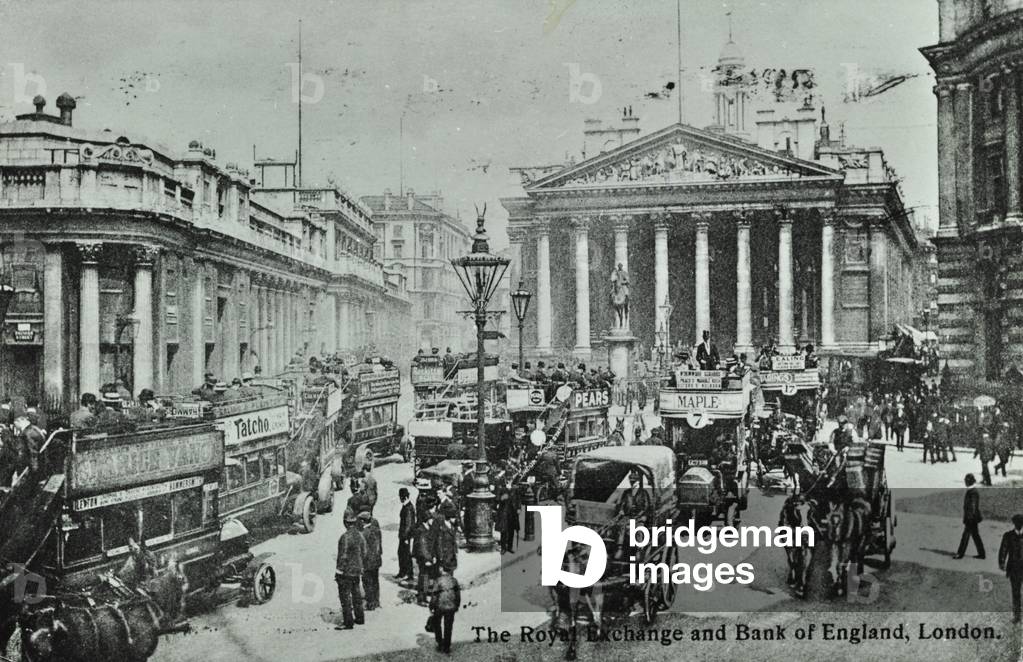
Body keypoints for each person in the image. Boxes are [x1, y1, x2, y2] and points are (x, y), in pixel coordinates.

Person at [335, 510, 367, 630]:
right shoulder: (360, 535)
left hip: (346, 572)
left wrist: (339, 571)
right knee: (356, 594)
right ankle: (360, 618)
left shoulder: (345, 537)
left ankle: (348, 622)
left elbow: (342, 556)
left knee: (345, 597)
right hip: (357, 571)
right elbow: (364, 552)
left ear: (345, 523)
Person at [998, 513, 1023, 623]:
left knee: (1016, 593)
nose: (1019, 525)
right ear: (1014, 523)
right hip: (1014, 569)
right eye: (1018, 523)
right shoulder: (1008, 535)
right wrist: (1001, 562)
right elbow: (1003, 550)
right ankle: (1017, 617)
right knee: (1016, 593)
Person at [953, 473, 985, 559]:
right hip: (973, 517)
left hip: (971, 518)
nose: (965, 482)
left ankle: (960, 553)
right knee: (975, 535)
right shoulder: (972, 491)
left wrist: (969, 517)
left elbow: (973, 506)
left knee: (965, 536)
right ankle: (982, 554)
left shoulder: (972, 492)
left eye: (966, 480)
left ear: (968, 482)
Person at [430, 567, 461, 654]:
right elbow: (458, 594)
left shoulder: (438, 580)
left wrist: (431, 605)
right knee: (448, 626)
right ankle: (447, 646)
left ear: (442, 570)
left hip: (439, 605)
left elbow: (434, 595)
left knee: (437, 624)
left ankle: (440, 643)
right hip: (451, 606)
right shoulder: (454, 580)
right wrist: (457, 605)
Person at [414, 500, 437, 605]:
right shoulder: (421, 531)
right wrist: (428, 559)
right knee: (424, 577)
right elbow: (423, 547)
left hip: (428, 557)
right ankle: (422, 598)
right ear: (426, 520)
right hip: (424, 558)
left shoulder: (428, 528)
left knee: (426, 577)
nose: (432, 521)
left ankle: (423, 595)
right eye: (431, 519)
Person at [359, 510, 382, 611]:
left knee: (367, 583)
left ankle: (370, 603)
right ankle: (376, 601)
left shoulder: (363, 534)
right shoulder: (376, 529)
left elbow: (362, 551)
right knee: (375, 581)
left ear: (363, 521)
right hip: (376, 560)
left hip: (367, 562)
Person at [397, 488, 417, 583]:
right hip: (403, 535)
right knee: (401, 553)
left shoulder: (408, 508)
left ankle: (409, 574)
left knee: (406, 555)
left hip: (406, 536)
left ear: (403, 497)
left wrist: (405, 537)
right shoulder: (407, 506)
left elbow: (408, 525)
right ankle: (402, 572)